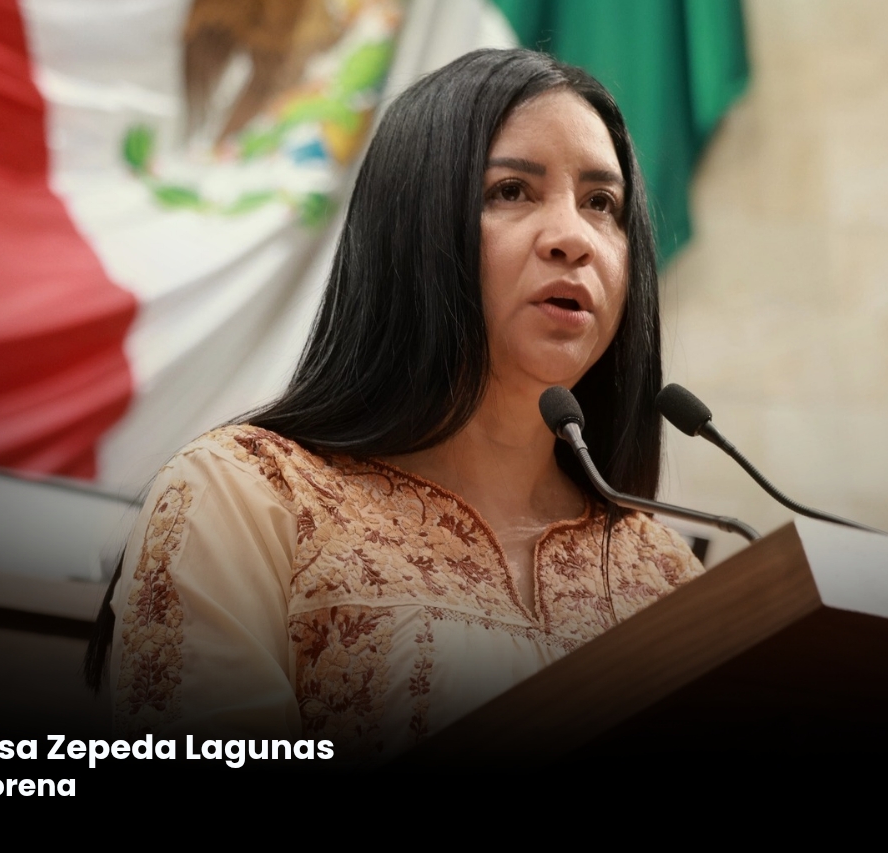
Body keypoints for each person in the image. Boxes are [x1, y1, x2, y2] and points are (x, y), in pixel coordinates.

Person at [85, 48, 704, 762]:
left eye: (603, 203)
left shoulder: (661, 571)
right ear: (412, 229)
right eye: (511, 190)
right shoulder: (247, 498)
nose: (573, 237)